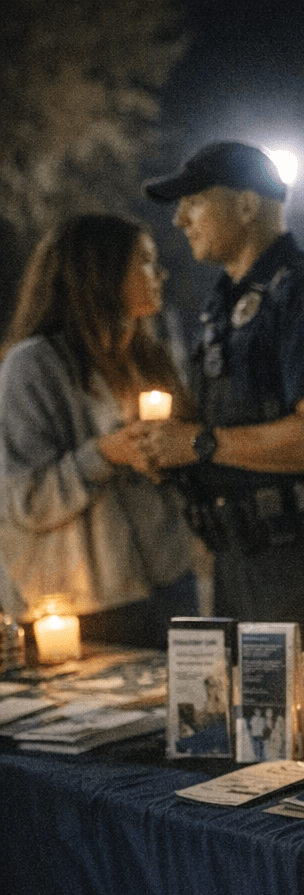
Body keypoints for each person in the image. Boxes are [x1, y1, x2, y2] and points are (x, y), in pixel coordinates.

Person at [136, 141, 304, 684]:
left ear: (247, 205)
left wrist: (200, 445)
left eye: (194, 202)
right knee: (256, 747)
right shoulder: (225, 303)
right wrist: (170, 451)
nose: (180, 218)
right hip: (245, 556)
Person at [0, 214, 197, 647]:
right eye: (144, 262)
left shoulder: (149, 359)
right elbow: (27, 500)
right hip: (84, 603)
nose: (158, 274)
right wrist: (106, 454)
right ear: (99, 273)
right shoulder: (33, 366)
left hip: (168, 581)